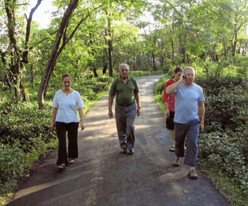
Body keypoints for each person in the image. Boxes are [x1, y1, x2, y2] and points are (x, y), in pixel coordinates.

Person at [166, 67, 205, 179]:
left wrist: (202, 121)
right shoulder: (179, 87)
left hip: (193, 121)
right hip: (179, 121)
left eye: (192, 75)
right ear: (184, 75)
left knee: (192, 143)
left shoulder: (198, 89)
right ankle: (178, 155)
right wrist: (179, 81)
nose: (190, 77)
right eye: (188, 74)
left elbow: (201, 105)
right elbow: (168, 91)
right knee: (179, 142)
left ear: (194, 76)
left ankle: (192, 169)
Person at [50, 73, 85, 171]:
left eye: (68, 82)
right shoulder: (58, 94)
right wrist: (52, 122)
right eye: (65, 82)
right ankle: (62, 162)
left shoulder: (76, 94)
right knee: (61, 141)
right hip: (60, 120)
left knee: (72, 139)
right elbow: (55, 109)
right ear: (62, 82)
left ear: (71, 82)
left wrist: (82, 122)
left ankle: (71, 156)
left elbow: (80, 108)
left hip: (73, 120)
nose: (66, 84)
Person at [108, 63, 141, 155]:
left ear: (128, 71)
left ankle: (130, 147)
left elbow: (137, 94)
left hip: (131, 107)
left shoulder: (132, 81)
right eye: (122, 70)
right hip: (119, 108)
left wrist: (139, 106)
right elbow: (111, 96)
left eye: (126, 70)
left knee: (130, 126)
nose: (124, 72)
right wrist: (109, 109)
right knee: (121, 128)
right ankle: (123, 146)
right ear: (120, 71)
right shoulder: (115, 82)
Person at [163, 67, 183, 152]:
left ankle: (182, 144)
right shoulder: (169, 83)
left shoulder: (183, 83)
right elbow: (165, 97)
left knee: (181, 127)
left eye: (181, 75)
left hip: (180, 109)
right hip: (171, 108)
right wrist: (166, 109)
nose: (180, 77)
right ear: (174, 73)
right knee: (171, 127)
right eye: (179, 75)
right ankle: (174, 144)